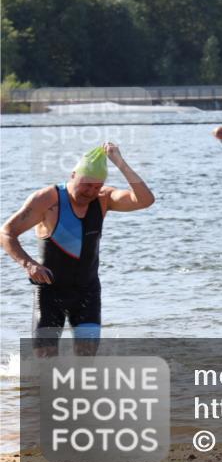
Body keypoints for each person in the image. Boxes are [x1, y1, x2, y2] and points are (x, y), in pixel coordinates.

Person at [0, 143, 155, 357]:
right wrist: (29, 264)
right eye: (86, 185)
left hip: (87, 291)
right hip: (50, 292)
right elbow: (6, 233)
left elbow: (145, 200)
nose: (90, 192)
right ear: (73, 175)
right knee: (44, 359)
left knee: (86, 357)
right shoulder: (47, 200)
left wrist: (120, 163)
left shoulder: (103, 199)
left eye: (96, 187)